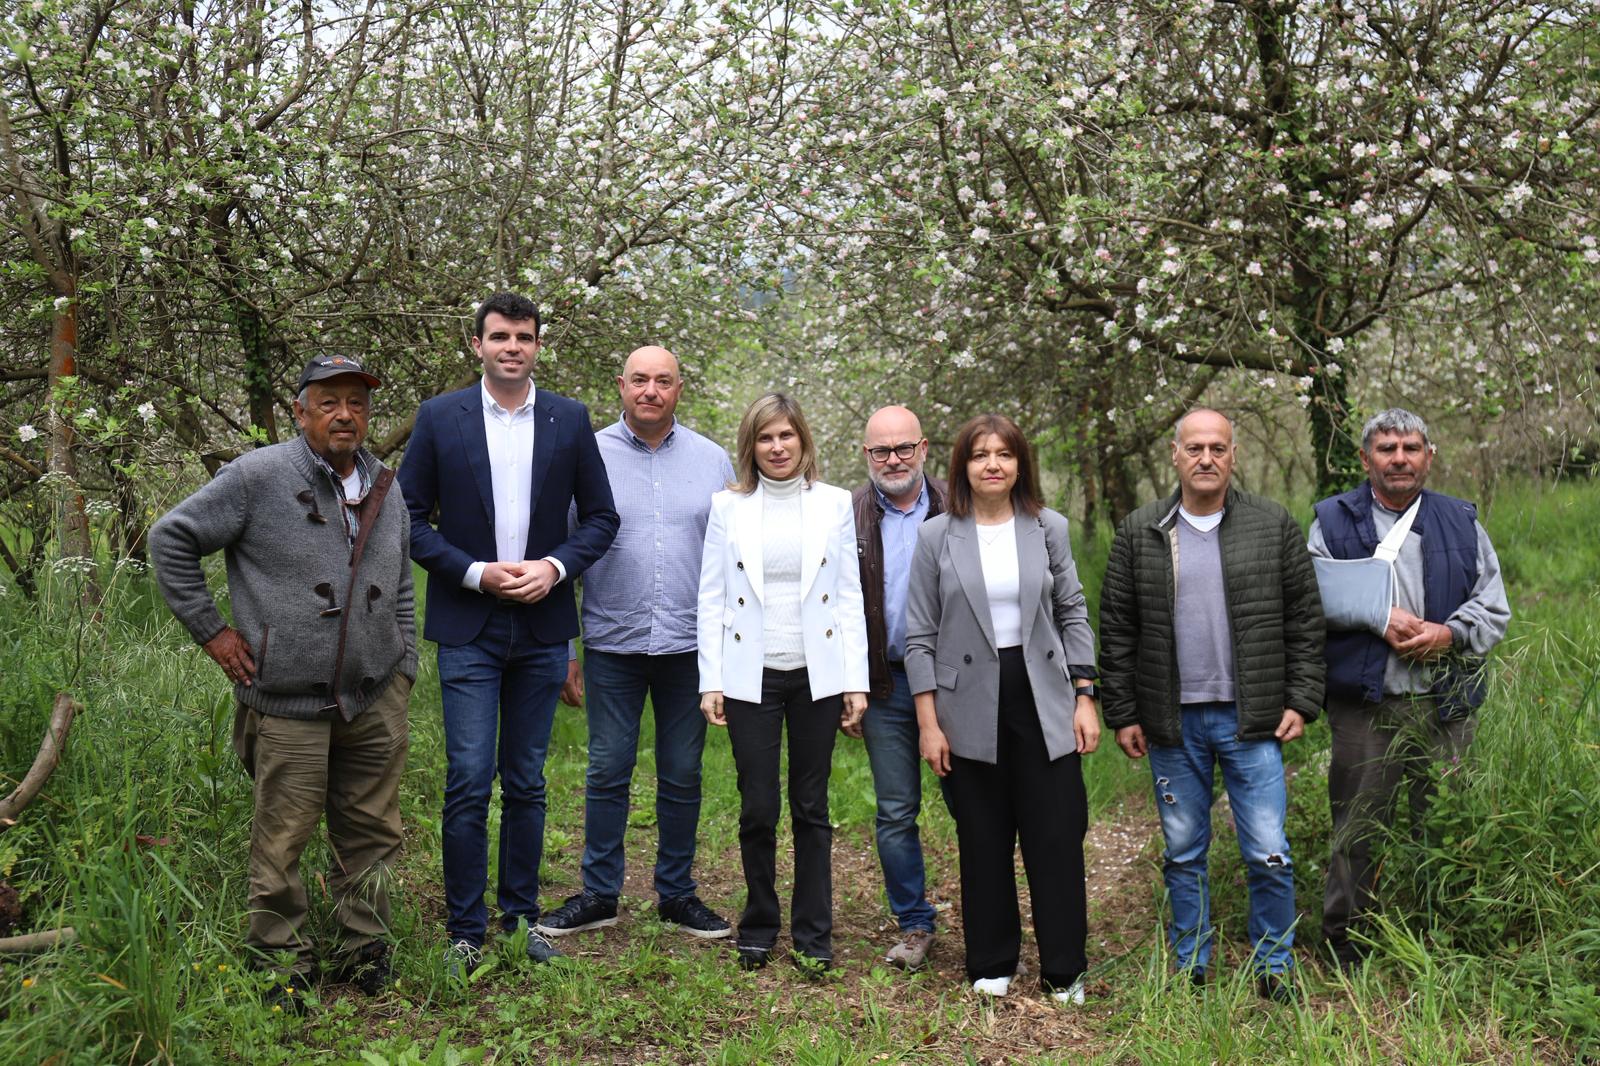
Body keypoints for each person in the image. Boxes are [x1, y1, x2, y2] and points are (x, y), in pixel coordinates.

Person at [150, 354, 414, 1007]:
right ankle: (279, 961)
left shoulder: (386, 485)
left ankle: (364, 947)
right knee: (283, 835)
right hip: (288, 701)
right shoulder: (257, 476)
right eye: (329, 402)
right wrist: (213, 632)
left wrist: (404, 663)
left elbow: (401, 583)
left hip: (374, 694)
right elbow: (171, 539)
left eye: (356, 402)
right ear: (301, 412)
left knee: (372, 830)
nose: (345, 414)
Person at [397, 293, 619, 972]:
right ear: (477, 345)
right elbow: (407, 518)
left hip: (544, 626)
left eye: (524, 337)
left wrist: (554, 568)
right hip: (470, 624)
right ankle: (465, 932)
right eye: (499, 337)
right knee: (468, 779)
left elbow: (601, 518)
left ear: (538, 346)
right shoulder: (440, 417)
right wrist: (474, 573)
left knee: (526, 780)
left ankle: (521, 922)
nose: (512, 347)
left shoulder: (568, 418)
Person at [1098, 408, 1323, 1002]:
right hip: (1171, 721)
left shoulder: (1271, 524)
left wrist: (1302, 699)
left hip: (1253, 718)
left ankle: (1275, 967)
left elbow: (1304, 620)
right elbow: (1117, 630)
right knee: (1183, 851)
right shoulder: (1141, 530)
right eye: (1194, 448)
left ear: (1233, 455)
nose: (1206, 458)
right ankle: (1191, 964)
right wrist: (1123, 713)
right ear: (1175, 455)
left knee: (1269, 852)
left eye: (1217, 448)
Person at [535, 346, 735, 941]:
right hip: (611, 642)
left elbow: (732, 560)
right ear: (621, 385)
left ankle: (677, 893)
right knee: (607, 769)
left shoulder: (712, 460)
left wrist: (729, 652)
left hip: (689, 646)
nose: (651, 390)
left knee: (682, 772)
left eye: (663, 381)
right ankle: (600, 893)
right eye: (640, 380)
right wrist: (565, 648)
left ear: (679, 389)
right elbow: (559, 555)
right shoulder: (586, 454)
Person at [905, 413, 1100, 1004]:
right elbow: (919, 635)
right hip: (966, 703)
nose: (993, 464)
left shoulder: (1048, 527)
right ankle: (992, 961)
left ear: (1020, 464)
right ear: (962, 466)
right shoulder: (937, 536)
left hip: (1043, 696)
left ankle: (1064, 969)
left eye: (1004, 454)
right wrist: (928, 723)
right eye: (980, 454)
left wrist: (1085, 696)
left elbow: (1072, 612)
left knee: (1056, 835)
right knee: (983, 837)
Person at [1309, 408, 1510, 972]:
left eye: (1411, 448)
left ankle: (1442, 933)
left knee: (1446, 823)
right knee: (1357, 827)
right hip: (1365, 705)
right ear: (1365, 458)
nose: (1400, 458)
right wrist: (1379, 617)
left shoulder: (1461, 521)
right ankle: (1347, 941)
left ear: (1429, 456)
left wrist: (1450, 634)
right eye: (1387, 448)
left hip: (1447, 705)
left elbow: (1493, 606)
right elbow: (1312, 596)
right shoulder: (1332, 521)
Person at [696, 392, 869, 972]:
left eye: (786, 435)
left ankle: (814, 932)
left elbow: (848, 595)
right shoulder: (728, 507)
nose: (777, 447)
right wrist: (711, 679)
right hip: (752, 675)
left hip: (818, 674)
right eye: (765, 437)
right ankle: (760, 924)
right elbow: (712, 595)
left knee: (811, 806)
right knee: (758, 807)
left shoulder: (834, 503)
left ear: (803, 441)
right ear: (751, 445)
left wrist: (855, 681)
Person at [850, 405, 947, 970]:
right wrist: (849, 685)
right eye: (881, 450)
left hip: (956, 683)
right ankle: (914, 922)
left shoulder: (957, 506)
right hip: (885, 684)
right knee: (894, 811)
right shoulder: (849, 514)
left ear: (923, 448)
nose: (893, 459)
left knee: (973, 803)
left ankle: (990, 916)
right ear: (866, 454)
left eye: (903, 448)